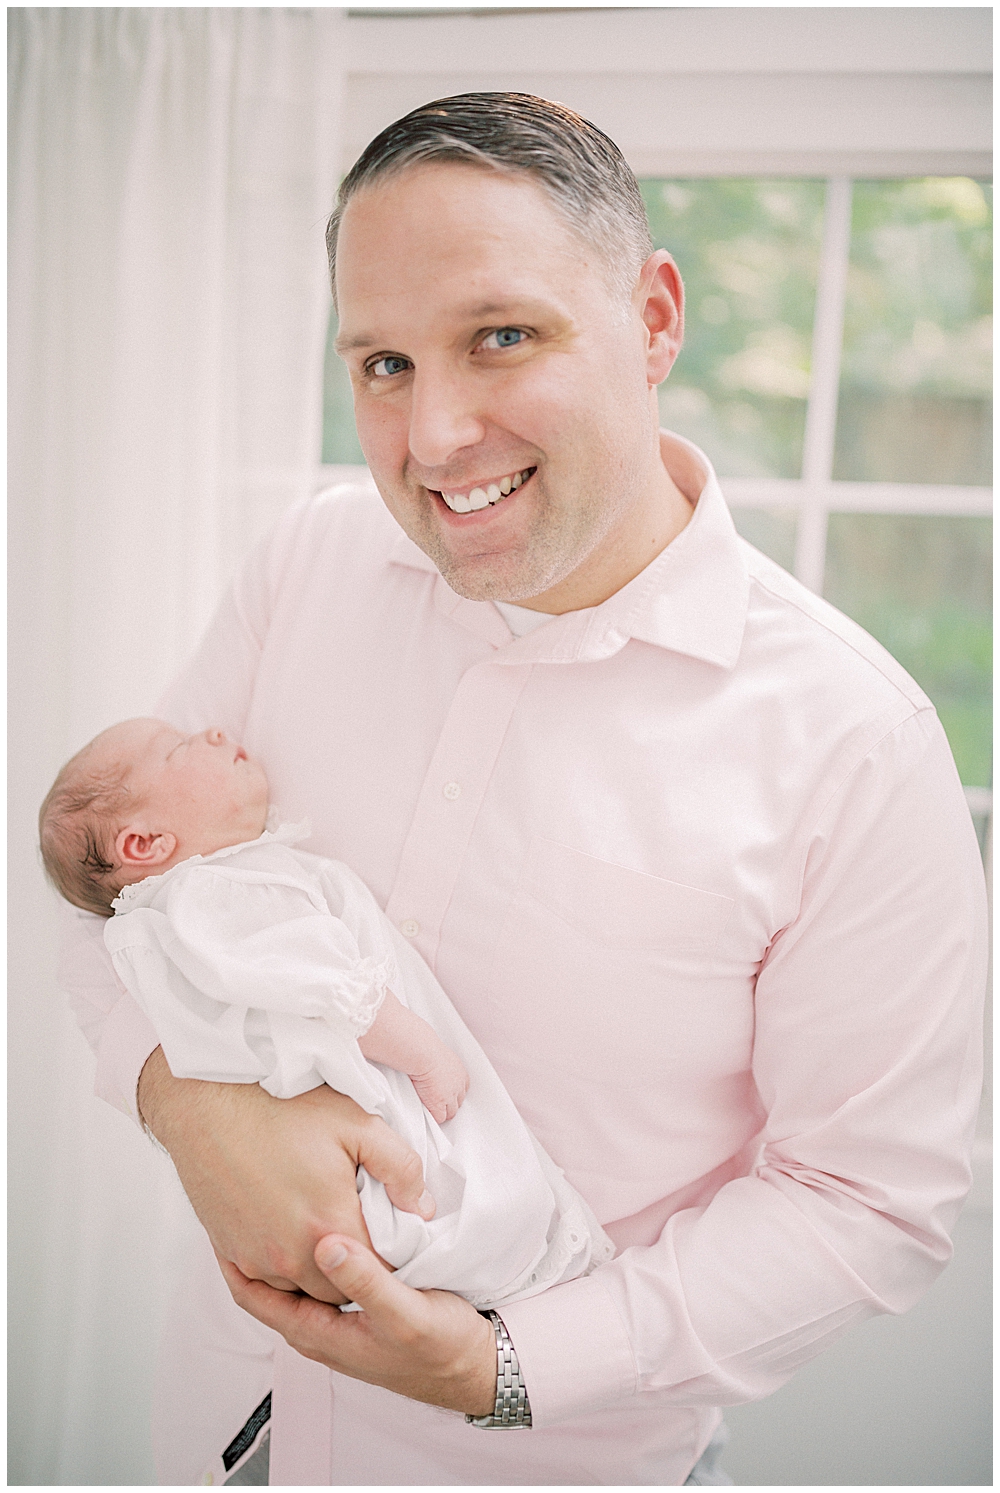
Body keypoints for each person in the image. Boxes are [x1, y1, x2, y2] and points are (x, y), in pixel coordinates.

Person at [59, 93, 987, 1486]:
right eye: (380, 362)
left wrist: (504, 1370)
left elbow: (870, 1198)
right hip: (215, 1436)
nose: (433, 437)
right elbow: (112, 885)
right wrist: (181, 1101)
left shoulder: (854, 741)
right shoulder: (308, 561)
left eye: (503, 336)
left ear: (657, 318)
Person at [40, 716, 611, 1317]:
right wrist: (423, 1053)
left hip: (321, 1125)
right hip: (362, 1073)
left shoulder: (183, 914)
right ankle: (492, 1263)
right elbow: (329, 988)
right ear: (144, 844)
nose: (211, 730)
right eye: (182, 746)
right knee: (443, 1169)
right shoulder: (218, 893)